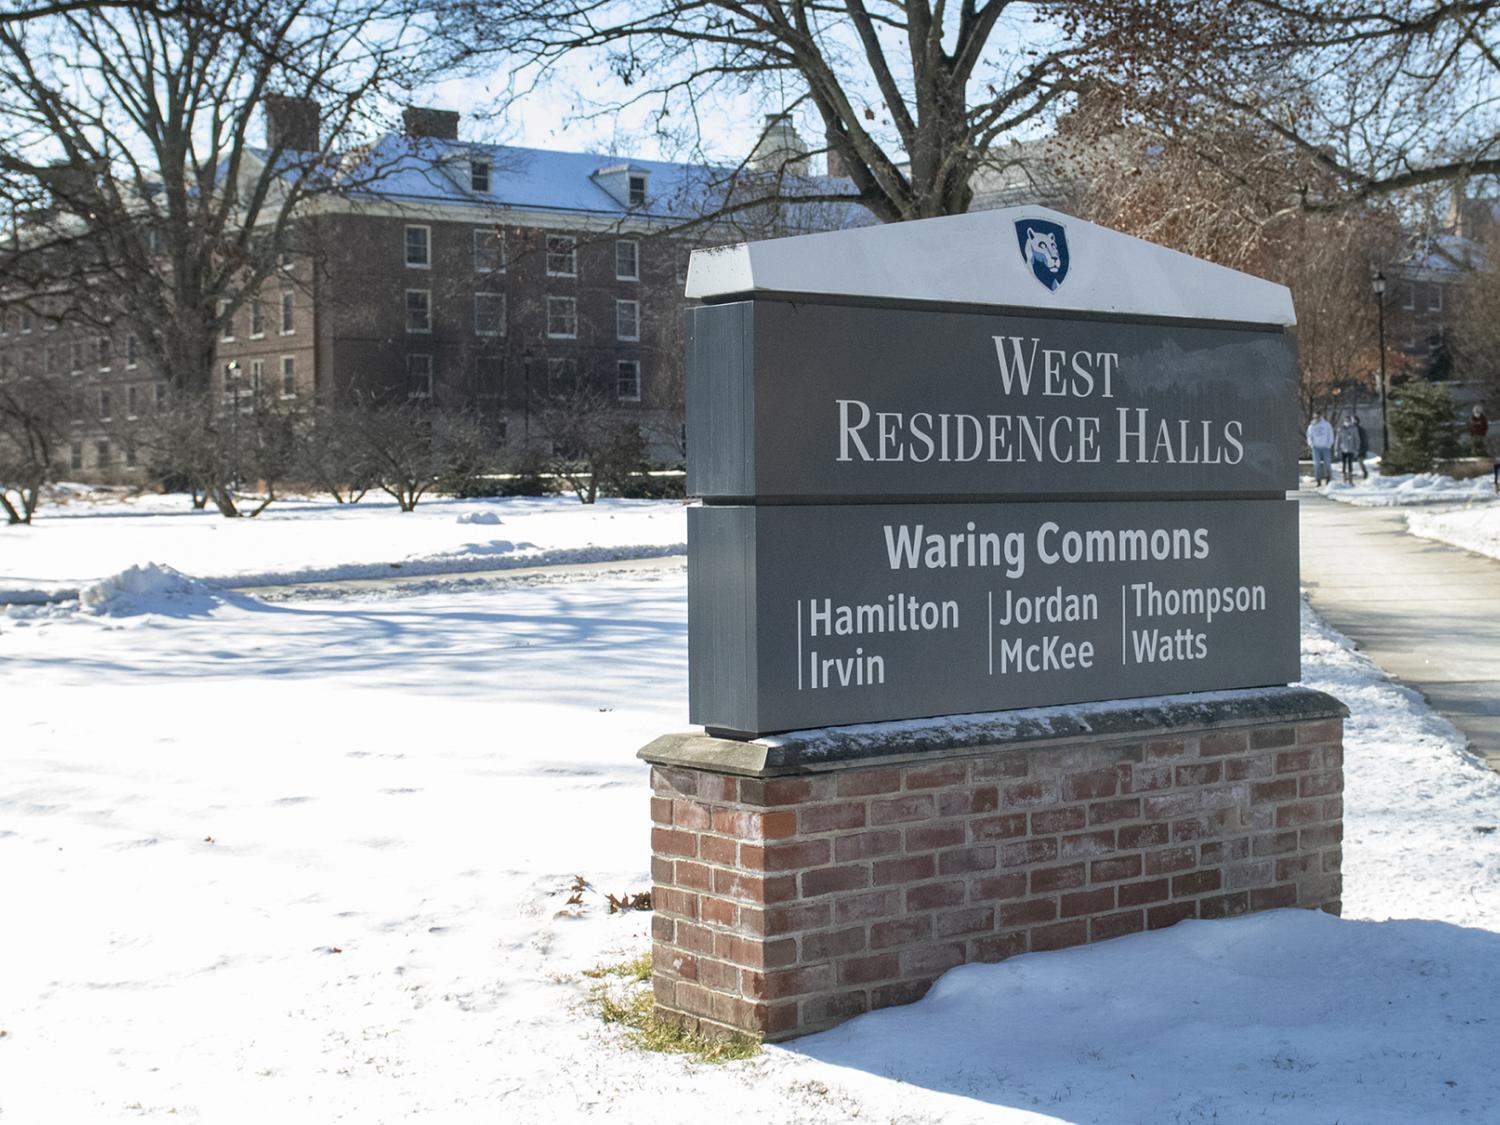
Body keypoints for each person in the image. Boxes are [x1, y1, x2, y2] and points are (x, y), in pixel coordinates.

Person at [1306, 412, 1334, 486]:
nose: (1317, 418)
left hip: (1325, 448)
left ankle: (1328, 478)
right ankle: (1318, 480)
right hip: (1316, 448)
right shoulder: (1311, 426)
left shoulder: (1326, 425)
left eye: (1318, 417)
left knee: (1327, 464)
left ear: (1321, 416)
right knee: (1317, 464)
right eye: (1315, 417)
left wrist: (1329, 445)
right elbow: (1309, 436)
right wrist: (1311, 445)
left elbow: (1330, 435)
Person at [1335, 411, 1360, 484]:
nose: (1347, 422)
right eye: (1346, 421)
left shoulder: (1354, 428)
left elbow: (1357, 439)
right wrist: (1336, 449)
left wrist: (1357, 448)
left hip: (1351, 449)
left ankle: (1350, 479)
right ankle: (1344, 479)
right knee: (1343, 464)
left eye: (1348, 421)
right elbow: (1338, 440)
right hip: (1343, 449)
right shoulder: (1341, 429)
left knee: (1350, 464)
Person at [1354, 413, 1370, 479]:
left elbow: (1364, 439)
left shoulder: (1361, 430)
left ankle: (1365, 473)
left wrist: (1363, 448)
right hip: (1352, 448)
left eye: (1354, 420)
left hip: (1360, 448)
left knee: (1360, 461)